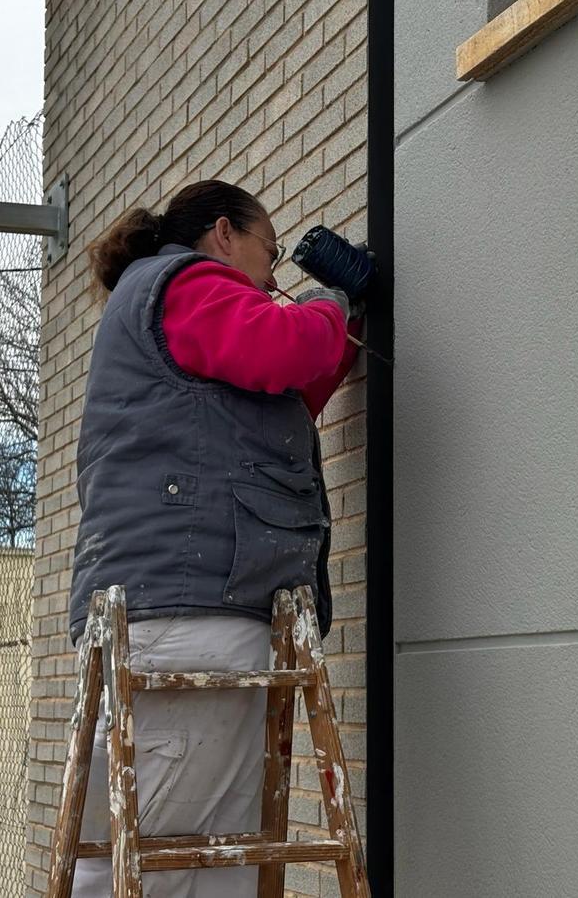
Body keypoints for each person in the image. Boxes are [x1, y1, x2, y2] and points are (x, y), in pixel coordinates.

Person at [67, 179, 362, 897]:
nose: (271, 277)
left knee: (167, 862)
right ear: (224, 234)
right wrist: (330, 303)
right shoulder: (189, 283)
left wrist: (337, 335)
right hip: (188, 613)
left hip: (168, 612)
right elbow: (282, 348)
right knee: (179, 866)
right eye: (270, 252)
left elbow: (284, 386)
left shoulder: (160, 306)